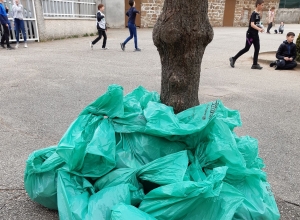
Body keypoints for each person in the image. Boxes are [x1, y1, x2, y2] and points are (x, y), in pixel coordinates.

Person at [229, 0, 264, 70]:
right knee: (246, 48)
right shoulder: (254, 14)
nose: (263, 6)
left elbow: (257, 24)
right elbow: (252, 24)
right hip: (250, 35)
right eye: (262, 5)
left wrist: (261, 27)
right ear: (258, 5)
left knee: (257, 49)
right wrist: (259, 29)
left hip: (255, 35)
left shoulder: (258, 14)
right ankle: (233, 58)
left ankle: (255, 64)